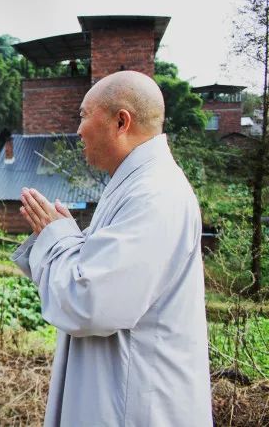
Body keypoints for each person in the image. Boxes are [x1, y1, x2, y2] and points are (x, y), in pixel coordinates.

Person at [12, 71, 212, 427]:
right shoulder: (135, 183)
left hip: (136, 404)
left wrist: (57, 238)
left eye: (83, 115)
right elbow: (97, 268)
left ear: (121, 121)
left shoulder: (154, 194)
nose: (78, 130)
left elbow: (90, 303)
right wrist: (65, 239)